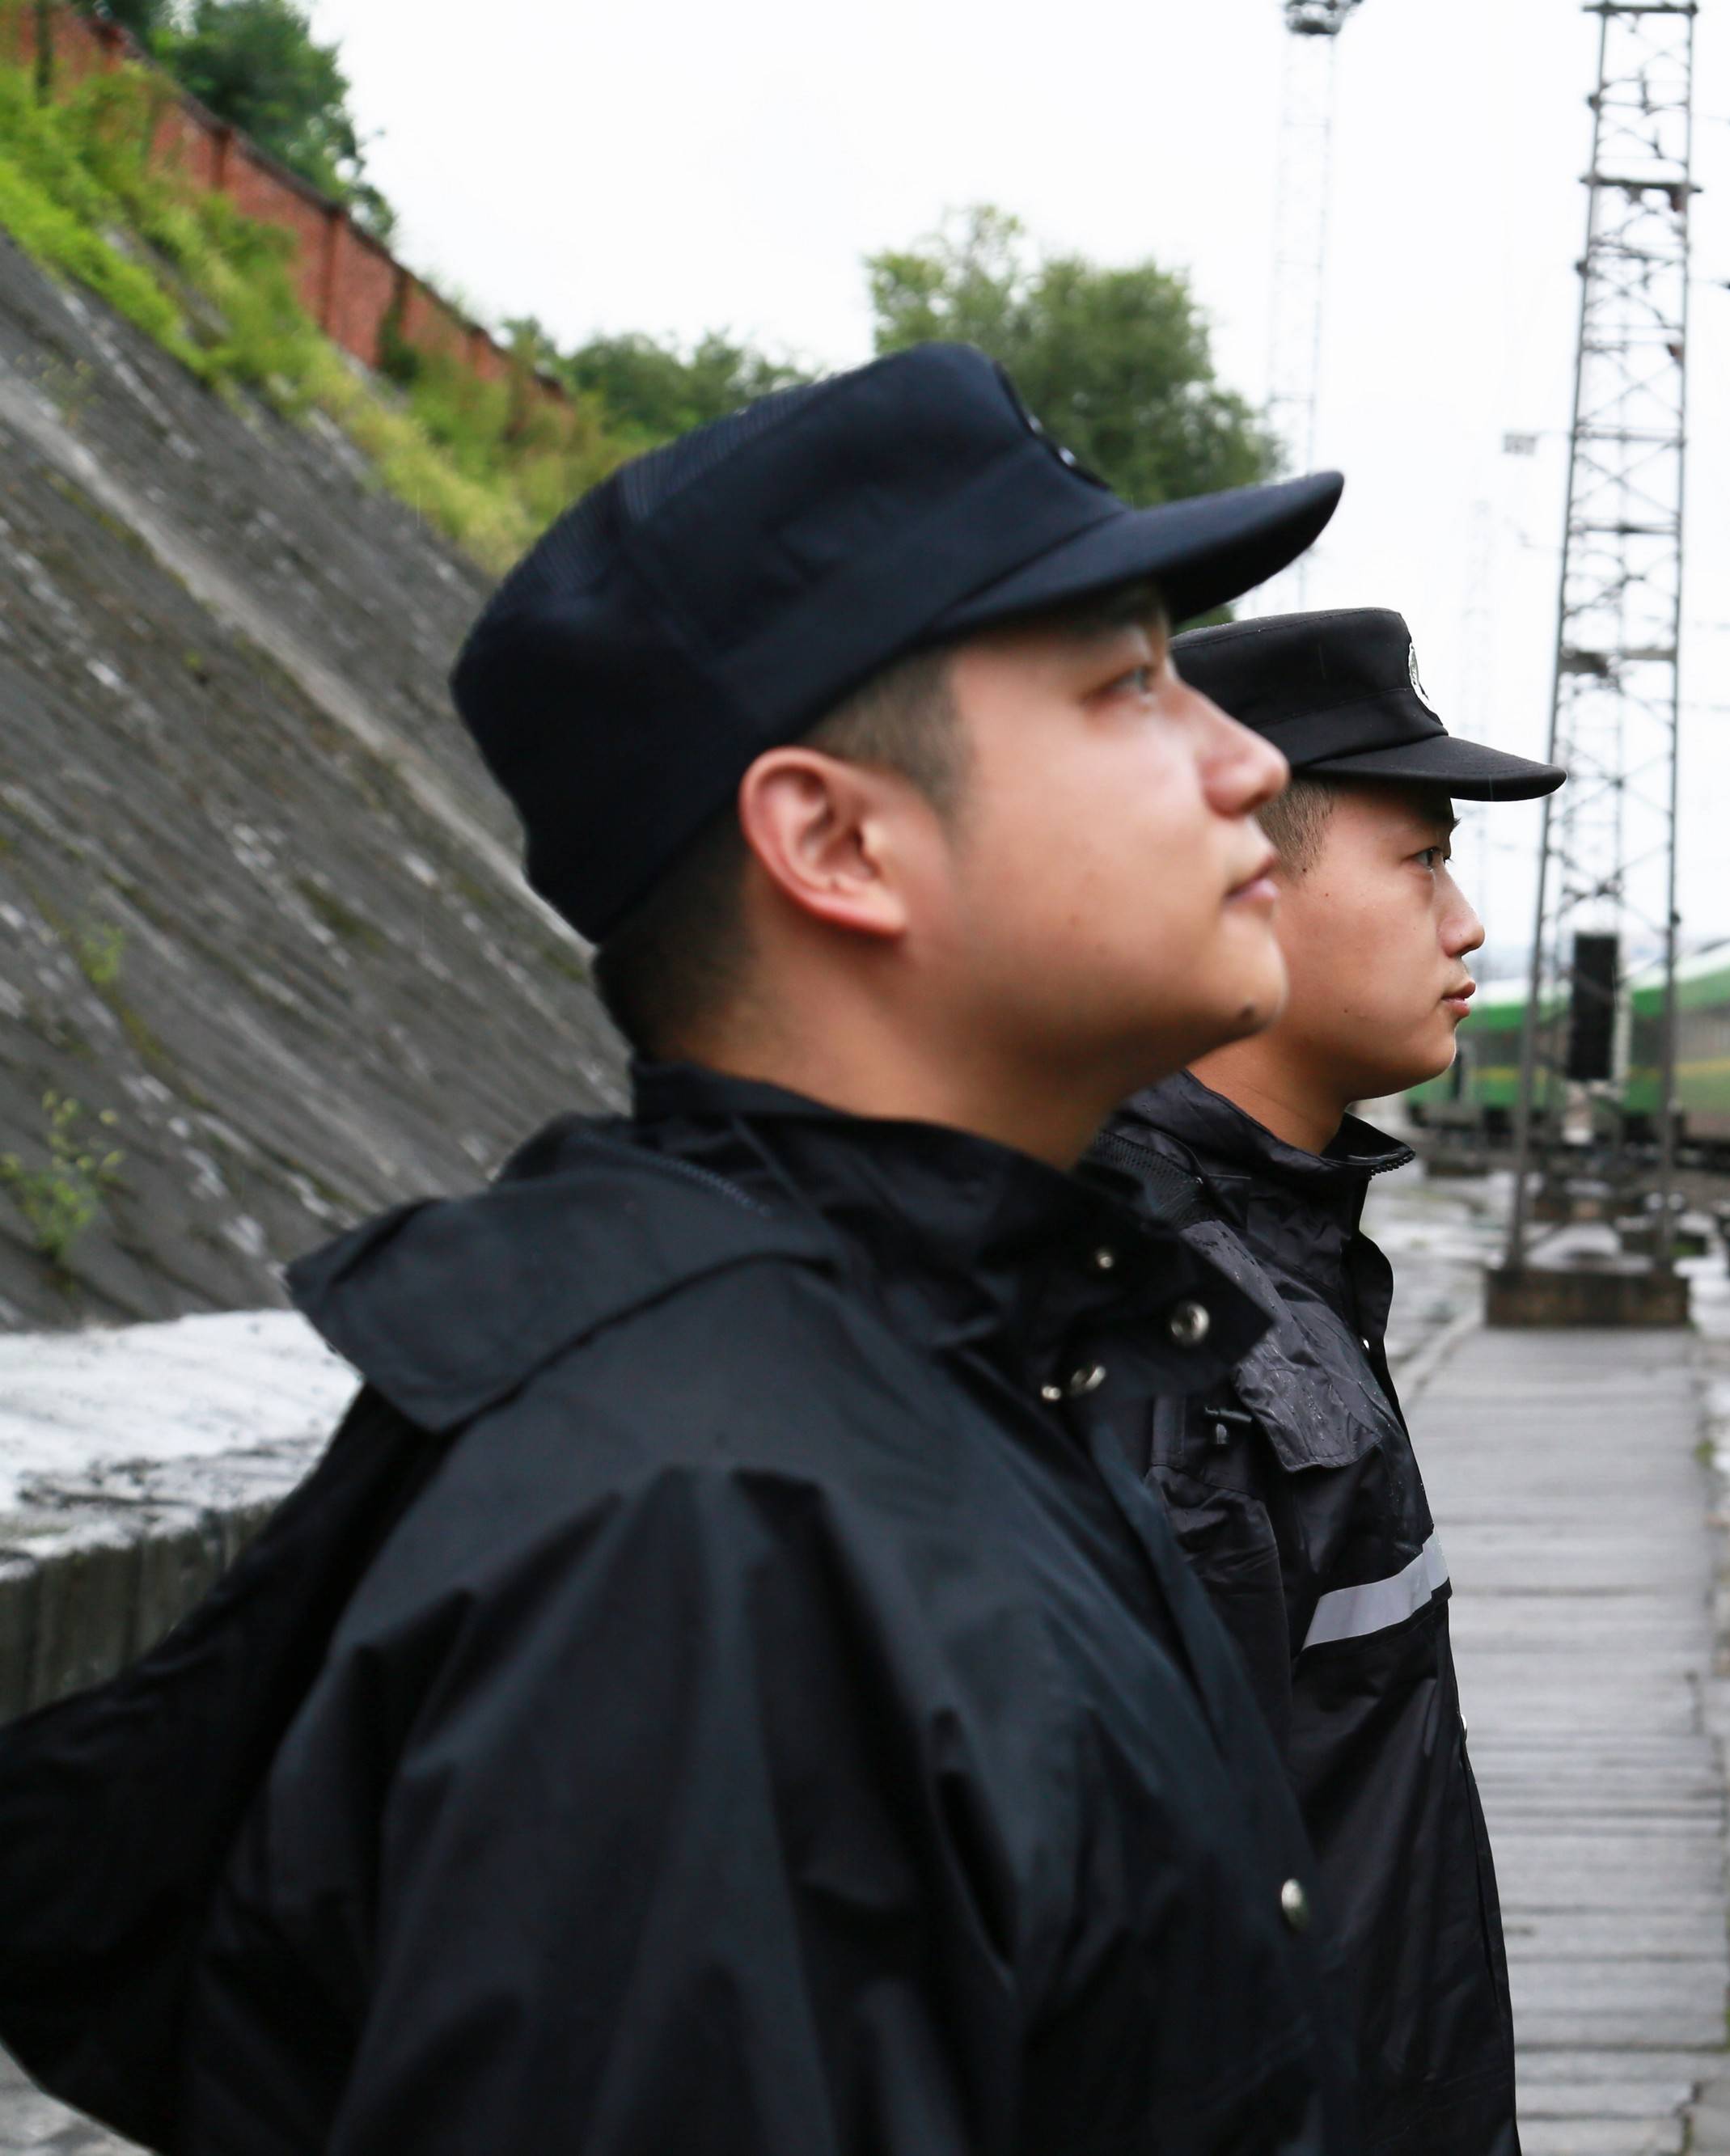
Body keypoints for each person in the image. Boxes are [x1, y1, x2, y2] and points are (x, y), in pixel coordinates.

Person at [0, 345, 1366, 2155]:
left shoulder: (948, 1382)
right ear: (833, 841)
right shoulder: (702, 1544)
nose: (1250, 763)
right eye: (1128, 685)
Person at [1089, 608, 1563, 2156]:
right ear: (1240, 874)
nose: (1467, 920)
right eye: (1422, 858)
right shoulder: (1164, 1332)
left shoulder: (1270, 1264)